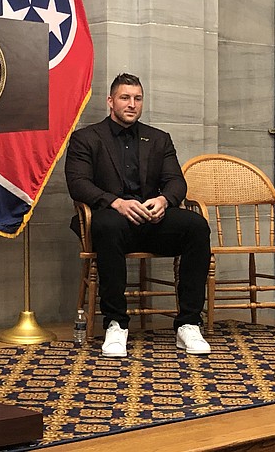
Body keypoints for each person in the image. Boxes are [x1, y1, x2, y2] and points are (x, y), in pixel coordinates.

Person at [65, 73, 211, 358]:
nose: (132, 104)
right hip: (112, 222)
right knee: (107, 225)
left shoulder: (158, 138)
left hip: (152, 221)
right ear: (110, 101)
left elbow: (176, 181)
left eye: (137, 98)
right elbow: (78, 184)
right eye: (125, 98)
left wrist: (164, 200)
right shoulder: (86, 138)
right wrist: (115, 202)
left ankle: (189, 324)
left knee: (196, 226)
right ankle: (116, 324)